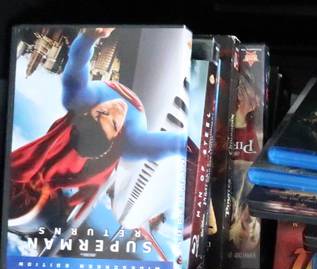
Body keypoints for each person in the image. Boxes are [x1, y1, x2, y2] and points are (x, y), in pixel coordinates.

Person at [9, 27, 187, 225]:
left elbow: (76, 67)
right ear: (116, 135)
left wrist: (90, 37)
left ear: (87, 113)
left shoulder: (79, 100)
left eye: (101, 112)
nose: (114, 108)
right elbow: (170, 144)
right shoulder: (132, 142)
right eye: (113, 122)